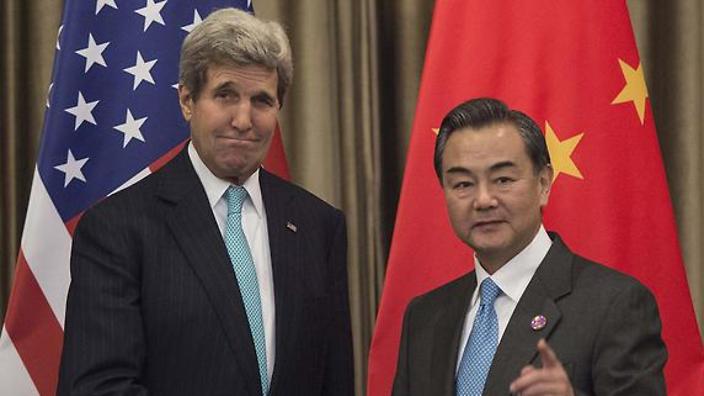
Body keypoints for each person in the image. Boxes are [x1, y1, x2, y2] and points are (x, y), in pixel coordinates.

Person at [57, 8, 353, 396]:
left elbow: (335, 381)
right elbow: (97, 387)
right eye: (225, 95)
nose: (243, 119)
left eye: (261, 101)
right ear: (187, 101)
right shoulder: (117, 227)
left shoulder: (318, 225)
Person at [391, 97, 666, 396]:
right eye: (463, 184)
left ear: (544, 184)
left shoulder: (614, 305)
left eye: (503, 179)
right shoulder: (425, 316)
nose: (483, 200)